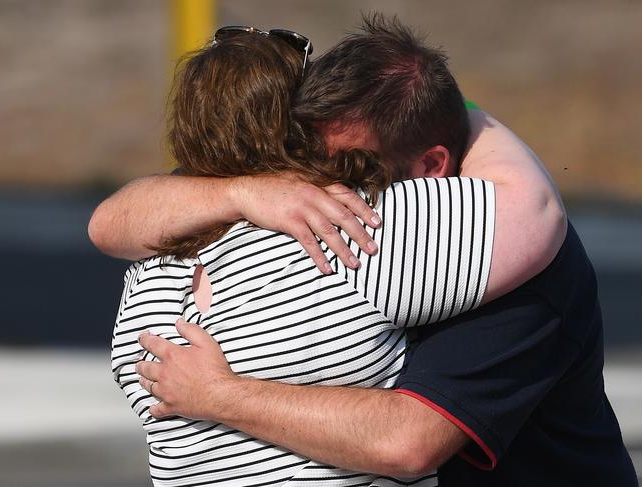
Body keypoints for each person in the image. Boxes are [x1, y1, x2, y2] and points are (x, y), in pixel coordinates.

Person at [95, 15, 636, 487]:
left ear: (430, 167)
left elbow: (406, 441)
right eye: (304, 152)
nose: (323, 181)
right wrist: (245, 191)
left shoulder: (483, 252)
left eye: (353, 168)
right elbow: (110, 221)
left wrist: (219, 395)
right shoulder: (267, 202)